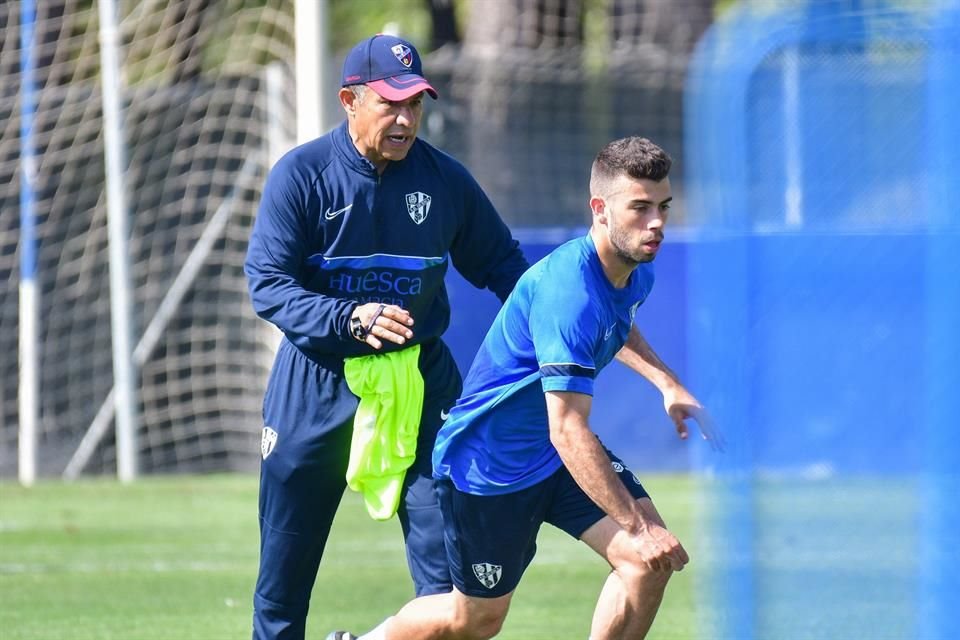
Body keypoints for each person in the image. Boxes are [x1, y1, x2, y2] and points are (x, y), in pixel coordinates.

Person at [328, 136, 725, 640]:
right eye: (640, 208)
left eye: (663, 207)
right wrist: (639, 527)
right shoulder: (569, 293)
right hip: (491, 467)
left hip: (554, 452)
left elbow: (616, 322)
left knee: (645, 566)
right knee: (474, 620)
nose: (657, 224)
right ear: (600, 210)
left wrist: (667, 383)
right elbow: (567, 426)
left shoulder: (632, 271)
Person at [244, 33, 529, 640]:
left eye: (415, 104)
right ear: (349, 100)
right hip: (315, 385)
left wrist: (553, 334)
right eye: (389, 103)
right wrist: (349, 318)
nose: (405, 119)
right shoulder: (301, 176)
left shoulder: (445, 181)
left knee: (449, 588)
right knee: (282, 587)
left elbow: (506, 269)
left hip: (421, 384)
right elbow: (267, 284)